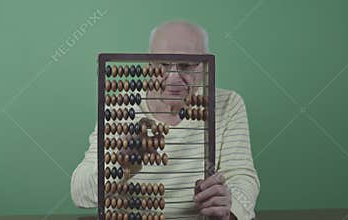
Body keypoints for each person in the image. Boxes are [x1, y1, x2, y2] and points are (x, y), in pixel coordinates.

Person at [71, 20, 260, 220]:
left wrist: (229, 210)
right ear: (149, 63)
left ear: (204, 65)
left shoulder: (227, 104)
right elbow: (80, 194)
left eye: (186, 66)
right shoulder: (120, 108)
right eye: (162, 64)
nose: (173, 79)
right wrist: (119, 165)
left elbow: (242, 177)